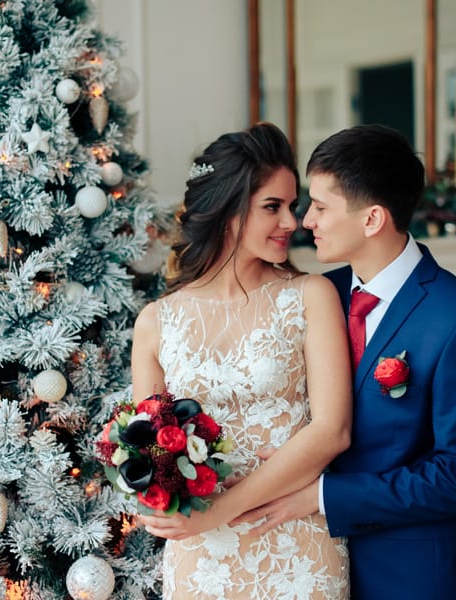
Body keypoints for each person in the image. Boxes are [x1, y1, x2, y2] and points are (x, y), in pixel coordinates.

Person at [235, 124, 456, 600]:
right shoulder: (317, 296)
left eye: (320, 206)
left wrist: (322, 497)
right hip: (311, 561)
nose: (304, 221)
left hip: (415, 575)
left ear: (372, 219)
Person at [133, 122, 353, 599]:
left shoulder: (310, 297)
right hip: (201, 556)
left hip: (297, 545)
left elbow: (332, 431)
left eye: (292, 206)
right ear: (227, 210)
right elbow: (147, 449)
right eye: (272, 207)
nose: (292, 222)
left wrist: (220, 510)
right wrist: (159, 500)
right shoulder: (157, 321)